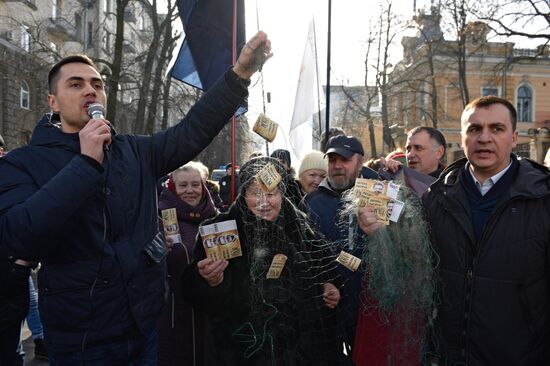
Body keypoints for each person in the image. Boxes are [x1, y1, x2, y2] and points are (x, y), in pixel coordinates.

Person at [0, 31, 272, 364]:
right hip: (81, 340)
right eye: (75, 84)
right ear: (53, 102)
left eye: (97, 84)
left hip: (144, 327)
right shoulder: (23, 162)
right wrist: (86, 163)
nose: (90, 90)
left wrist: (239, 76)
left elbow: (191, 131)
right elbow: (18, 234)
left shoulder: (134, 151)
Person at [422, 96, 550, 365]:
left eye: (497, 129)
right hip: (448, 356)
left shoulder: (543, 199)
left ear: (514, 138)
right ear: (462, 137)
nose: (484, 138)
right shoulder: (434, 199)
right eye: (475, 129)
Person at [182, 156, 341, 366]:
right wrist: (210, 280)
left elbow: (324, 266)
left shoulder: (300, 225)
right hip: (242, 351)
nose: (264, 202)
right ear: (243, 194)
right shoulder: (221, 230)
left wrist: (328, 286)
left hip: (300, 350)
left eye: (272, 193)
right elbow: (199, 296)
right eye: (255, 193)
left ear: (282, 194)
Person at [304, 135, 378, 360]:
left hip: (369, 302)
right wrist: (322, 282)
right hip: (327, 301)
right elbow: (302, 251)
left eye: (344, 160)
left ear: (360, 162)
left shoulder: (380, 195)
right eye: (332, 159)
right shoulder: (311, 201)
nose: (337, 166)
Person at [156, 162, 217, 366]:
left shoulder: (216, 220)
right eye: (183, 185)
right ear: (172, 187)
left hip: (209, 315)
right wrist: (155, 247)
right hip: (172, 315)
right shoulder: (157, 218)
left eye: (195, 184)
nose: (190, 191)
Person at [382, 126, 447, 178]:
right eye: (408, 149)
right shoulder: (398, 179)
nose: (410, 154)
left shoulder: (452, 188)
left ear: (439, 152)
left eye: (418, 148)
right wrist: (390, 177)